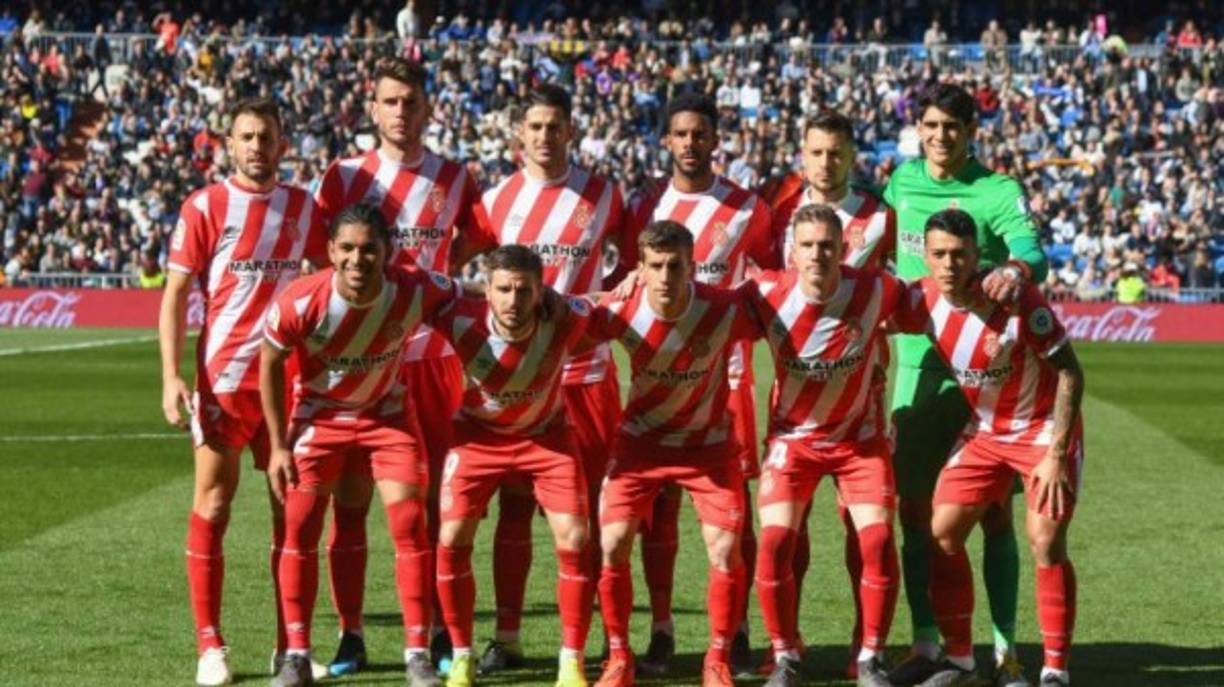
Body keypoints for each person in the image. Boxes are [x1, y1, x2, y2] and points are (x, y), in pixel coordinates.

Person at [313, 56, 482, 676]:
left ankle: (434, 630)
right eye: (390, 101)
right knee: (351, 501)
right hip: (361, 360)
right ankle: (351, 634)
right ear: (373, 108)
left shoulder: (454, 177)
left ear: (427, 108)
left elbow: (473, 243)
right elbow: (322, 256)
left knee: (433, 505)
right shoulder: (345, 175)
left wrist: (439, 279)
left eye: (411, 102)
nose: (401, 112)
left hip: (433, 362)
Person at [158, 97, 328, 687]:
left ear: (283, 144)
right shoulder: (205, 206)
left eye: (266, 137)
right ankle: (210, 647)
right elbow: (175, 294)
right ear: (229, 144)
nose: (257, 146)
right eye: (247, 137)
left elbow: (326, 282)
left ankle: (291, 649)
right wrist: (171, 375)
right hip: (225, 380)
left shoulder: (304, 207)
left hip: (290, 381)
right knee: (214, 503)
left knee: (294, 514)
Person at [882, 83, 1048, 687]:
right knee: (913, 511)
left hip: (985, 376)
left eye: (951, 127)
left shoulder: (996, 190)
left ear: (971, 131)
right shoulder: (900, 182)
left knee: (994, 515)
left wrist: (1015, 269)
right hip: (918, 368)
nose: (939, 136)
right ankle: (929, 643)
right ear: (918, 128)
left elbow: (1032, 251)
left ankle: (1005, 652)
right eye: (930, 125)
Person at [457, 83, 625, 675]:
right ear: (518, 134)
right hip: (516, 381)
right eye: (535, 126)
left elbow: (631, 270)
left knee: (594, 516)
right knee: (514, 508)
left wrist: (593, 309)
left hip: (586, 378)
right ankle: (507, 637)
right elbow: (458, 267)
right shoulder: (495, 199)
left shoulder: (603, 195)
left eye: (555, 126)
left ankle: (599, 639)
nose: (545, 136)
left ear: (571, 130)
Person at [261, 203, 461, 687]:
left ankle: (417, 653)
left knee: (410, 524)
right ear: (330, 250)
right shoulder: (300, 301)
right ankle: (297, 655)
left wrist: (548, 298)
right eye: (347, 248)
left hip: (386, 418)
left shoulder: (414, 289)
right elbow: (269, 362)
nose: (357, 259)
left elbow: (472, 294)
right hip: (319, 420)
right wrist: (278, 446)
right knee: (300, 528)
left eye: (369, 249)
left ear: (387, 251)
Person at [892, 209, 1084, 687]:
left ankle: (1055, 669)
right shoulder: (919, 299)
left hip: (1041, 431)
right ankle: (960, 660)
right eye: (939, 254)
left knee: (1045, 541)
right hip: (985, 432)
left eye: (960, 254)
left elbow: (1070, 372)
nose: (949, 264)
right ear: (925, 256)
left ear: (978, 255)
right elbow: (863, 321)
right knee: (942, 533)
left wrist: (1057, 453)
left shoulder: (1016, 300)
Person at [622, 93, 778, 677]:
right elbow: (630, 279)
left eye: (700, 134)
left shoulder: (747, 208)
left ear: (715, 139)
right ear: (667, 141)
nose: (690, 143)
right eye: (681, 134)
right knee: (659, 507)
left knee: (735, 512)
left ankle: (737, 631)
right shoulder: (645, 206)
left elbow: (767, 283)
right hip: (658, 376)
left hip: (727, 377)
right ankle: (662, 630)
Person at [589, 221, 758, 687]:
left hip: (708, 447)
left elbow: (780, 306)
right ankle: (618, 657)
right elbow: (565, 324)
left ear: (692, 267)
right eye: (656, 266)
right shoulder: (620, 309)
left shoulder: (723, 308)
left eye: (675, 266)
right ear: (640, 269)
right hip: (640, 444)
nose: (665, 276)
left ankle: (717, 659)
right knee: (611, 543)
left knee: (724, 548)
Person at [758, 109, 896, 677]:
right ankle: (785, 647)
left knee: (864, 532)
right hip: (796, 396)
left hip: (861, 389)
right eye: (816, 152)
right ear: (803, 153)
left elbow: (905, 287)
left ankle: (866, 650)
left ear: (851, 155)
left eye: (836, 153)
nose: (826, 162)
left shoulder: (880, 216)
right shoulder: (777, 211)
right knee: (787, 532)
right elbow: (760, 290)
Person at [431, 245, 597, 687]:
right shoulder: (459, 319)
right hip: (478, 437)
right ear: (487, 290)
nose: (513, 300)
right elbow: (409, 293)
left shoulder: (564, 318)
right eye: (503, 289)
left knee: (575, 537)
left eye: (524, 291)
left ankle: (571, 662)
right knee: (451, 536)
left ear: (540, 291)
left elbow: (610, 304)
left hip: (546, 436)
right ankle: (461, 656)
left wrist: (633, 281)